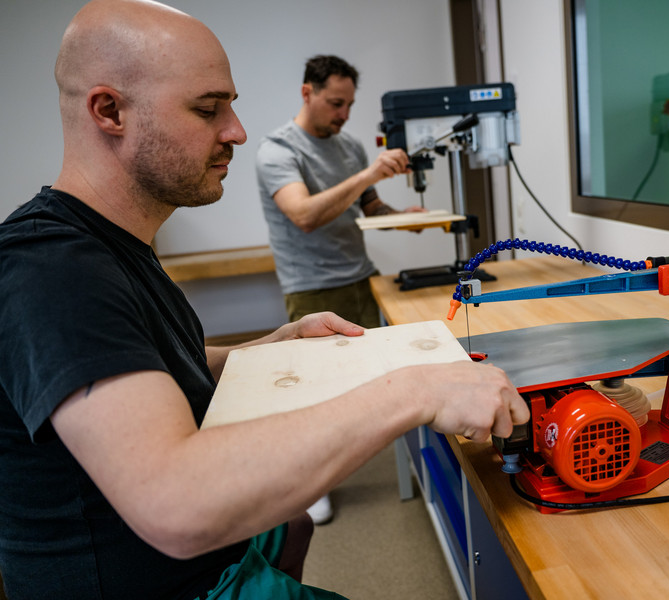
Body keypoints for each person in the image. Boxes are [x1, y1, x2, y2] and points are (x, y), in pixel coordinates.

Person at [0, 2, 529, 599]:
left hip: (207, 560)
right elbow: (175, 503)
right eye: (207, 109)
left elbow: (148, 363)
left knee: (291, 521)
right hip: (171, 582)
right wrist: (417, 389)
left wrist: (264, 347)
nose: (236, 130)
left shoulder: (114, 245)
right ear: (109, 110)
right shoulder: (53, 268)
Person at [257, 55, 425, 524]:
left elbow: (370, 208)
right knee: (312, 395)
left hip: (360, 276)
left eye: (349, 104)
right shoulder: (277, 151)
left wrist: (405, 220)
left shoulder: (349, 146)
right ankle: (310, 488)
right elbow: (304, 215)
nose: (344, 114)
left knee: (375, 380)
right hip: (311, 287)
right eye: (335, 103)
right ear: (307, 93)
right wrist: (368, 174)